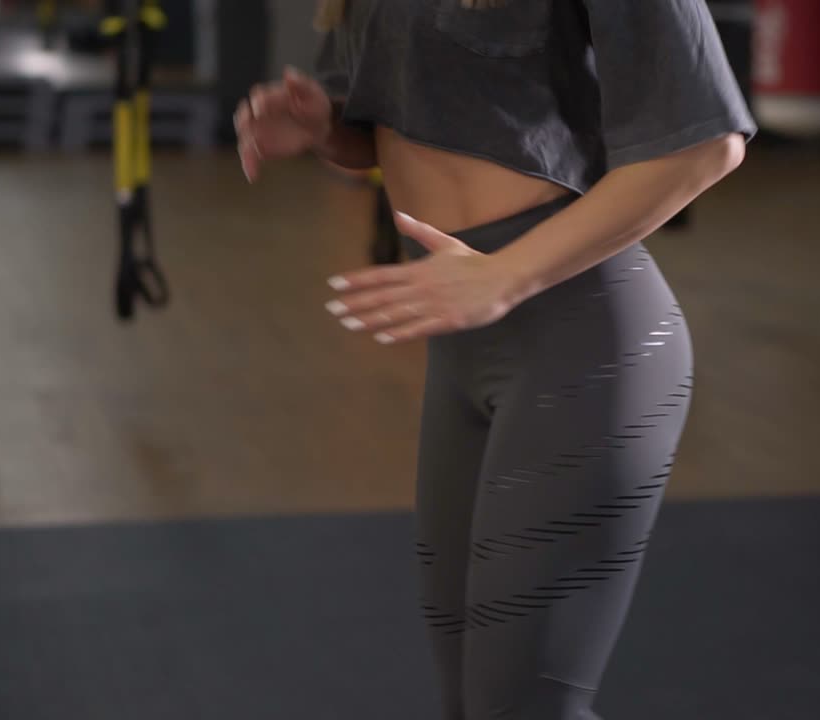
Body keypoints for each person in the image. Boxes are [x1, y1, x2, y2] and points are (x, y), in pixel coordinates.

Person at [234, 1, 754, 717]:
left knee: (523, 708)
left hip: (580, 338)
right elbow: (393, 117)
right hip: (467, 343)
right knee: (475, 704)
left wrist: (505, 276)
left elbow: (707, 145)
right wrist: (325, 125)